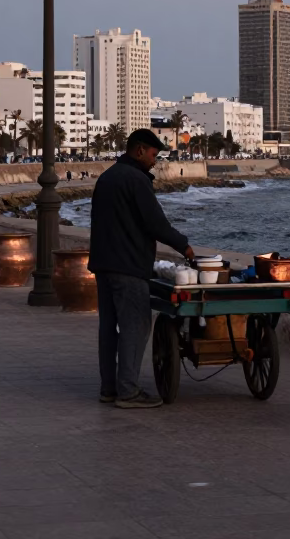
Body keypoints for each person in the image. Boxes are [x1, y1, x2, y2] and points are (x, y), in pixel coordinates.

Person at [87, 129, 194, 409]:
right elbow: (156, 224)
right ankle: (128, 392)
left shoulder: (108, 177)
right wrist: (184, 246)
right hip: (128, 266)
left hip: (103, 264)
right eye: (152, 155)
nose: (154, 161)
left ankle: (108, 388)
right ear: (139, 150)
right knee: (136, 326)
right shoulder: (136, 180)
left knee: (109, 329)